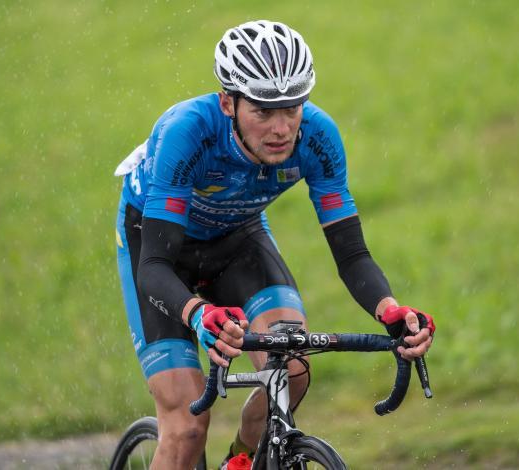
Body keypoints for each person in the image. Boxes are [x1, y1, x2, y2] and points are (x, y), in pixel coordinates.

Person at [114, 19, 435, 470]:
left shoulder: (319, 137)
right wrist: (199, 313)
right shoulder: (188, 132)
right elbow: (153, 268)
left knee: (293, 368)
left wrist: (391, 311)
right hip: (161, 247)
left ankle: (240, 461)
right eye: (263, 111)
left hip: (238, 239)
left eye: (292, 108)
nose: (281, 128)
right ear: (228, 102)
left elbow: (352, 254)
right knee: (187, 425)